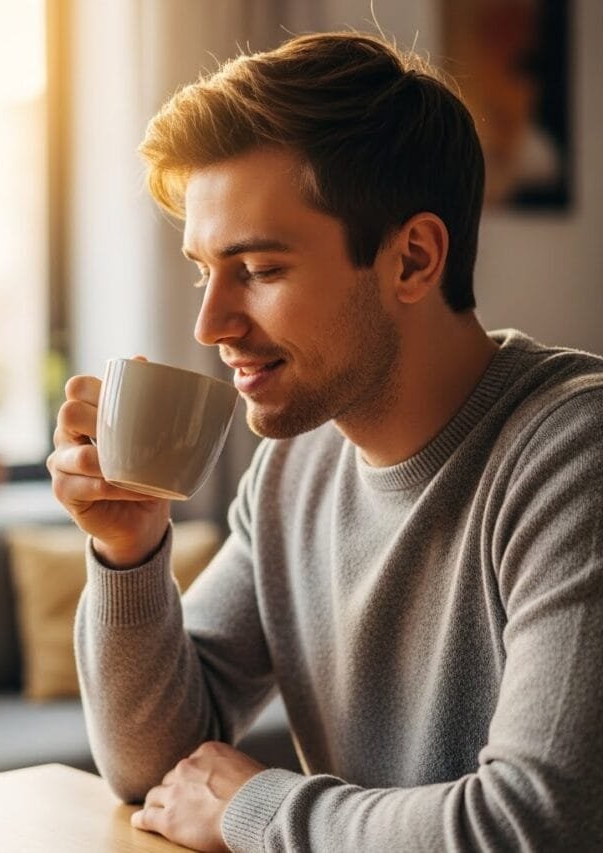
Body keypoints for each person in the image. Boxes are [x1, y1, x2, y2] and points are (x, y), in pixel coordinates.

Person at [47, 31, 603, 852]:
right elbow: (159, 772)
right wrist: (131, 553)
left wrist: (259, 806)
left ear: (412, 258)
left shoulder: (574, 454)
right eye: (205, 270)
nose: (212, 325)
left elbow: (535, 824)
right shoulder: (291, 470)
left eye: (261, 270)